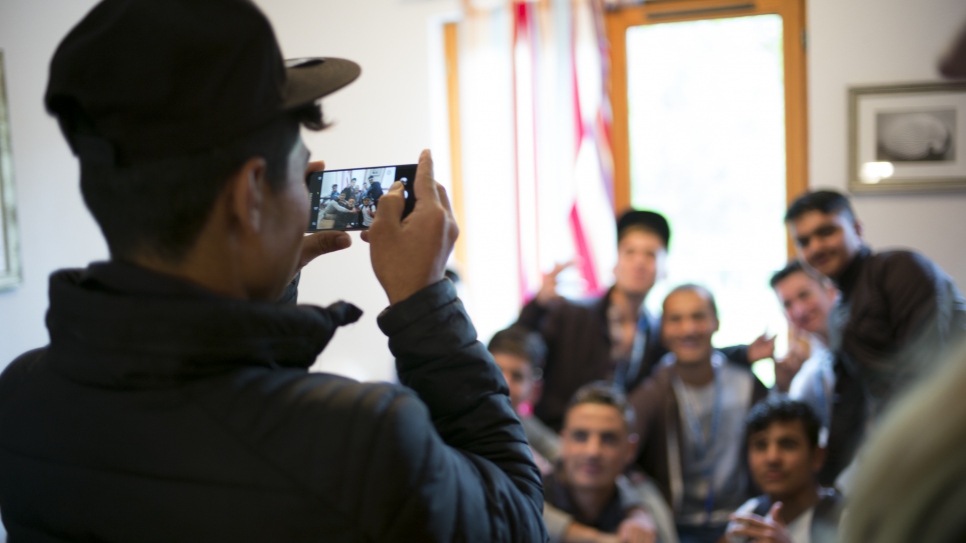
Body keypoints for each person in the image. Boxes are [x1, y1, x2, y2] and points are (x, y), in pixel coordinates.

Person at [0, 1, 547, 541]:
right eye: (296, 177)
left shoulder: (22, 395)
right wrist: (426, 302)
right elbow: (520, 514)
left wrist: (262, 283)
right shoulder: (361, 441)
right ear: (249, 195)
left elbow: (230, 395)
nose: (304, 195)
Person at [517, 210, 774, 430]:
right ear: (615, 262)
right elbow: (514, 349)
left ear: (663, 268)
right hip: (558, 435)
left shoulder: (655, 330)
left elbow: (693, 353)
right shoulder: (571, 314)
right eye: (630, 252)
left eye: (650, 255)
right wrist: (538, 306)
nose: (639, 262)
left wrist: (745, 354)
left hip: (618, 446)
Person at [784, 190, 966, 483]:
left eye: (826, 232)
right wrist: (823, 484)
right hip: (908, 446)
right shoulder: (840, 311)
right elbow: (848, 403)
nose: (816, 247)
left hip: (947, 439)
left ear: (856, 229)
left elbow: (929, 369)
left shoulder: (900, 269)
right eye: (804, 241)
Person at [630, 285, 768, 543]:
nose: (688, 329)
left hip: (744, 520)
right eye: (676, 319)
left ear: (716, 321)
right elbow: (623, 457)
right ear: (663, 329)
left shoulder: (748, 385)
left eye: (698, 316)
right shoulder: (651, 393)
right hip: (675, 528)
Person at [544, 383, 677, 543]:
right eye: (580, 436)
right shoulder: (529, 498)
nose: (592, 452)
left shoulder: (643, 518)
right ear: (564, 442)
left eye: (608, 439)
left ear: (630, 449)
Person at [725, 398, 845, 543]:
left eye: (788, 444)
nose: (772, 458)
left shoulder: (845, 520)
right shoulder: (750, 515)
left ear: (817, 457)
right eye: (761, 445)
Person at [769, 261, 837, 449]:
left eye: (804, 295)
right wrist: (783, 386)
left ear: (829, 291)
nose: (799, 310)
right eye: (788, 304)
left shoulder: (863, 344)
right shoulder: (811, 371)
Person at [487, 325, 561, 469]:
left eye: (517, 377)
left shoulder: (524, 424)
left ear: (534, 390)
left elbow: (563, 457)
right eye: (496, 370)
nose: (504, 384)